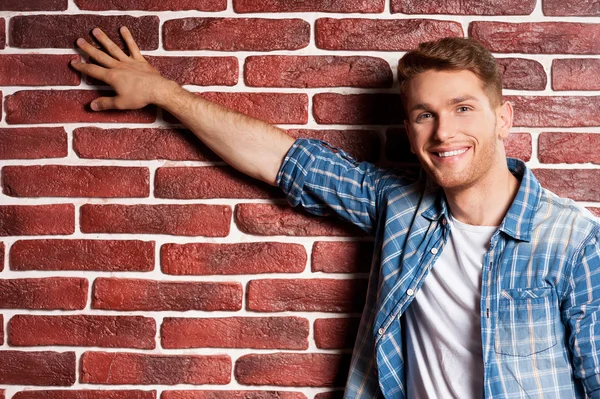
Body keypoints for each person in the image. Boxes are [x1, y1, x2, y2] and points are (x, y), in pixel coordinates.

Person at [71, 27, 600, 398]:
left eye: (463, 108)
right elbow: (280, 160)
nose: (443, 133)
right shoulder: (400, 209)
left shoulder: (573, 240)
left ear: (502, 117)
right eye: (424, 115)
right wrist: (162, 91)